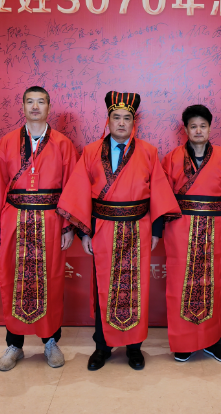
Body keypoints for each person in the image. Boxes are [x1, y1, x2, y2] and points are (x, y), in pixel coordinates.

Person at [56, 91, 180, 371]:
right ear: (108, 120)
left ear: (134, 122)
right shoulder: (91, 152)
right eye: (116, 117)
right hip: (103, 227)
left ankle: (134, 348)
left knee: (137, 288)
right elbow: (79, 193)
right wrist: (84, 233)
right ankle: (102, 346)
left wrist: (156, 231)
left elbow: (159, 191)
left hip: (138, 228)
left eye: (127, 118)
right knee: (104, 287)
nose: (121, 123)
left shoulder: (148, 151)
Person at [0, 86, 78, 371]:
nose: (35, 107)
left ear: (48, 107)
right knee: (12, 278)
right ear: (22, 107)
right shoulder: (7, 142)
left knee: (51, 279)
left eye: (40, 102)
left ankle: (50, 341)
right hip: (14, 219)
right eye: (30, 102)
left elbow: (72, 187)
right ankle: (14, 344)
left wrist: (68, 226)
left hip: (51, 220)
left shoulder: (63, 144)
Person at [161, 105, 221, 363]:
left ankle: (213, 341)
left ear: (209, 128)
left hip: (215, 228)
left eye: (203, 126)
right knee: (180, 283)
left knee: (214, 283)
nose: (198, 130)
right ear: (185, 129)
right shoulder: (171, 158)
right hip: (180, 227)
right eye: (193, 126)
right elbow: (162, 196)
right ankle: (183, 342)